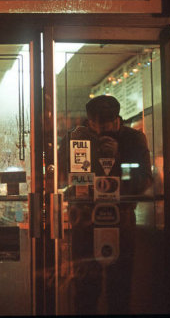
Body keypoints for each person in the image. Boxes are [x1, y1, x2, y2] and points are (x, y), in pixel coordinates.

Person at [58, 95, 153, 314]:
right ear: (88, 121)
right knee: (84, 291)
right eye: (94, 125)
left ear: (116, 120)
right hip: (84, 219)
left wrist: (117, 159)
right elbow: (62, 178)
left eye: (105, 125)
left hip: (120, 220)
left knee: (119, 290)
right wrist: (85, 156)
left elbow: (143, 182)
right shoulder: (77, 138)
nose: (99, 130)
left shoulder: (132, 139)